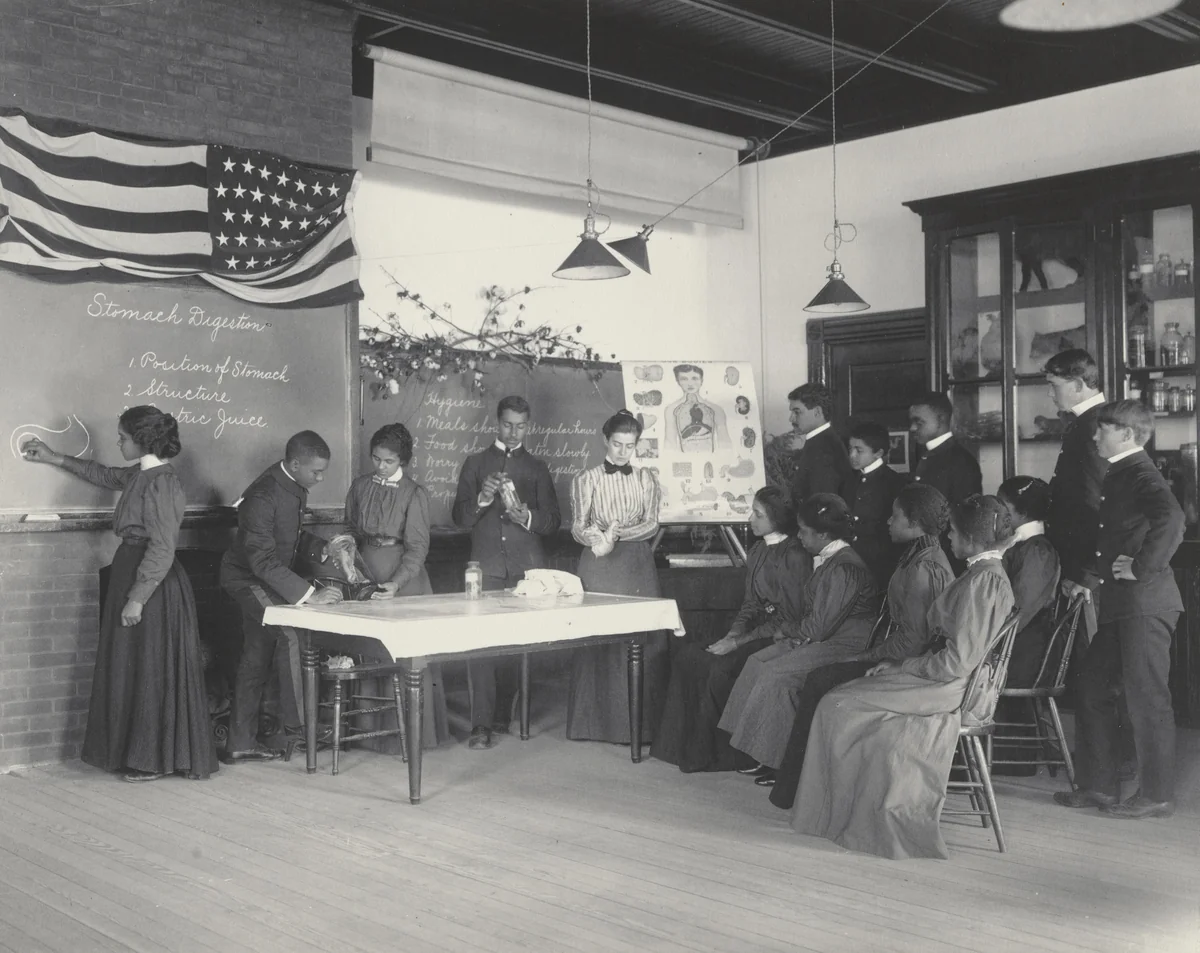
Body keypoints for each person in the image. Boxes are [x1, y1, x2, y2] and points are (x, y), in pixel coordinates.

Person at [789, 495, 1016, 859]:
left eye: (954, 533)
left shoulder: (983, 582)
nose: (949, 539)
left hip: (950, 686)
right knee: (842, 697)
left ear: (973, 540)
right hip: (942, 676)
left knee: (839, 703)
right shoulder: (979, 574)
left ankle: (841, 817)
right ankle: (839, 815)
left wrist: (902, 667)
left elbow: (956, 663)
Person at [23, 407, 218, 782]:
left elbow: (162, 547)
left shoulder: (162, 482)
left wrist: (138, 597)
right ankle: (140, 755)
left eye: (123, 437)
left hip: (152, 584)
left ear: (141, 440)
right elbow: (104, 474)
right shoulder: (140, 473)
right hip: (133, 572)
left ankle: (152, 760)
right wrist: (54, 457)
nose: (118, 442)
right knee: (136, 667)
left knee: (149, 670)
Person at [769, 483, 953, 809]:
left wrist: (867, 656)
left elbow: (913, 639)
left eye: (895, 517)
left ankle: (799, 790)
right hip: (899, 653)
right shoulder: (921, 555)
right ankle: (800, 785)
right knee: (819, 678)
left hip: (906, 665)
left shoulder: (924, 567)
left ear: (913, 523)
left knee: (819, 681)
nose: (888, 522)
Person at [1055, 400, 1184, 820]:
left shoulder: (1141, 472)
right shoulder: (1122, 472)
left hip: (1144, 606)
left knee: (1147, 700)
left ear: (1127, 434)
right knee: (1093, 686)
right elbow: (1117, 537)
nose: (1095, 437)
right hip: (1122, 606)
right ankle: (1100, 787)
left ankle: (1157, 795)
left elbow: (1173, 517)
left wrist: (1142, 567)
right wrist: (1089, 577)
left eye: (1102, 430)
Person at [717, 493, 878, 785]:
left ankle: (780, 763)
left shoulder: (844, 567)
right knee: (756, 662)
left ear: (823, 534)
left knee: (776, 675)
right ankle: (757, 750)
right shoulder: (829, 559)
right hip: (826, 637)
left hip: (847, 645)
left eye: (804, 532)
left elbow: (818, 627)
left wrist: (788, 632)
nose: (799, 537)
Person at [651, 486, 811, 772]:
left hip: (780, 635)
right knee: (689, 655)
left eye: (758, 514)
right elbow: (750, 604)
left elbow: (790, 616)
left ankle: (728, 755)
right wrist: (732, 634)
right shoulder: (758, 550)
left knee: (719, 668)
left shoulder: (796, 555)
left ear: (776, 518)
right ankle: (679, 748)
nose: (750, 518)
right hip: (755, 630)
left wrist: (737, 644)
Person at [221, 431, 344, 764]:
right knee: (291, 636)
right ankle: (301, 728)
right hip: (247, 579)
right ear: (295, 463)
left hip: (262, 576)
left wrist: (323, 548)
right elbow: (260, 560)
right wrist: (310, 596)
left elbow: (292, 536)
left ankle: (240, 742)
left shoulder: (290, 485)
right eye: (316, 472)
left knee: (256, 657)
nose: (320, 478)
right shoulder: (263, 495)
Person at [452, 395, 561, 750]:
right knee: (480, 645)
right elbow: (459, 518)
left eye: (520, 426)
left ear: (527, 426)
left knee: (515, 647)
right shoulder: (475, 463)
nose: (514, 433)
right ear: (496, 423)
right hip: (483, 569)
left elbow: (553, 522)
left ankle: (501, 715)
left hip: (526, 572)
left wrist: (527, 517)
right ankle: (480, 725)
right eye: (507, 425)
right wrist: (482, 499)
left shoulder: (538, 468)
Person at [344, 422, 448, 748]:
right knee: (369, 651)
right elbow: (350, 529)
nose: (381, 466)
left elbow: (418, 548)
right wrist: (348, 557)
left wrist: (396, 583)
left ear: (402, 460)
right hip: (365, 573)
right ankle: (368, 738)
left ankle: (409, 738)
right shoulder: (360, 486)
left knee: (403, 657)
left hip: (405, 579)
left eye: (388, 461)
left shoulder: (415, 494)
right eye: (376, 459)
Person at [566, 410, 668, 743]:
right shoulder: (586, 478)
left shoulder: (646, 478)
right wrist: (597, 539)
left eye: (630, 445)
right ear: (605, 440)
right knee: (598, 640)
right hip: (599, 566)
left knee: (641, 640)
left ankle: (642, 727)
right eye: (617, 444)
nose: (623, 452)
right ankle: (594, 726)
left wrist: (618, 535)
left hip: (636, 564)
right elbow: (578, 526)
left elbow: (652, 523)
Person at [992, 476, 1061, 775]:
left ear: (1018, 513)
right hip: (1014, 645)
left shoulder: (1037, 550)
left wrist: (985, 638)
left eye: (1001, 505)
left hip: (1023, 652)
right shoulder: (1016, 545)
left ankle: (980, 757)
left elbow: (1018, 613)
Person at [1044, 349, 1107, 606]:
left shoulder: (1093, 429)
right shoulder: (1091, 422)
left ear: (1079, 385)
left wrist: (1087, 575)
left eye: (1053, 385)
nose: (1050, 394)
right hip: (1084, 569)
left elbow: (1102, 506)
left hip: (1089, 576)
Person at [841, 419, 909, 586]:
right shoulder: (849, 481)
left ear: (878, 453)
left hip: (880, 568)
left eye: (859, 450)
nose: (852, 456)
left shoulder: (895, 483)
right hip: (850, 563)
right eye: (850, 449)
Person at [782, 384, 853, 506]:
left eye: (797, 412)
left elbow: (822, 506)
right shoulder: (822, 441)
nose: (791, 419)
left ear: (817, 412)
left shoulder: (824, 448)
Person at [908, 392, 981, 505]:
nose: (912, 428)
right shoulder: (925, 454)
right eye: (911, 422)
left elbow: (965, 517)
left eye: (919, 422)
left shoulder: (961, 462)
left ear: (941, 420)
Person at [664, 363, 730, 454]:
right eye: (684, 379)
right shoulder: (671, 410)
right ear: (677, 381)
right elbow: (669, 444)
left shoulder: (716, 409)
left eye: (694, 378)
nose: (690, 383)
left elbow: (725, 443)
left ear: (701, 380)